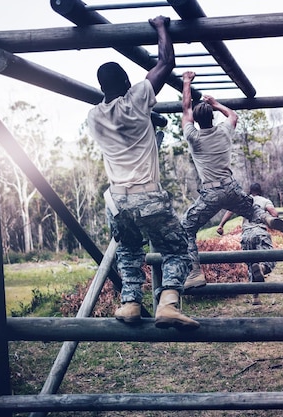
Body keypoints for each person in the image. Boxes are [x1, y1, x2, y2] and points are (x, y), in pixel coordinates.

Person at [87, 16, 199, 329]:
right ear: (127, 82)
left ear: (100, 88)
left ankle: (131, 303)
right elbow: (167, 61)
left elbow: (107, 97)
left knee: (128, 249)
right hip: (147, 195)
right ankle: (168, 302)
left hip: (117, 202)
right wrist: (161, 26)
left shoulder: (94, 117)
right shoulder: (137, 99)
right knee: (177, 249)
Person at [180, 71, 283, 290]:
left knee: (186, 228)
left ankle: (194, 272)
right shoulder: (223, 131)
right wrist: (215, 103)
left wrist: (186, 82)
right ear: (213, 117)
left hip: (211, 193)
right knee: (252, 211)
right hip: (231, 187)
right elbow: (233, 116)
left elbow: (185, 109)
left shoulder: (193, 137)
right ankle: (269, 221)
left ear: (196, 121)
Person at [217, 183, 278, 305]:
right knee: (270, 259)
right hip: (260, 233)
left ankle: (255, 298)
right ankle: (262, 268)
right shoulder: (265, 200)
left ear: (250, 191)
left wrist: (221, 225)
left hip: (246, 235)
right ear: (261, 191)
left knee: (251, 266)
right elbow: (274, 214)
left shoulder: (244, 201)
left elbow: (229, 212)